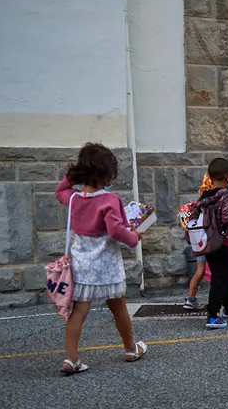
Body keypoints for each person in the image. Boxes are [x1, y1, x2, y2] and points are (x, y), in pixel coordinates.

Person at [54, 143, 147, 375]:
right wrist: (134, 237)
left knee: (78, 312)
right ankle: (129, 348)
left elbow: (60, 191)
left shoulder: (74, 199)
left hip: (81, 265)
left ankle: (71, 358)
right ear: (108, 173)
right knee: (119, 308)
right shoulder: (110, 200)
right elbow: (115, 231)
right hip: (106, 266)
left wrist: (72, 175)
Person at [189, 158, 228, 329]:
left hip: (208, 243)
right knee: (220, 278)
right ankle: (212, 316)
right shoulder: (226, 195)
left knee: (222, 275)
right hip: (225, 242)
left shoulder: (205, 196)